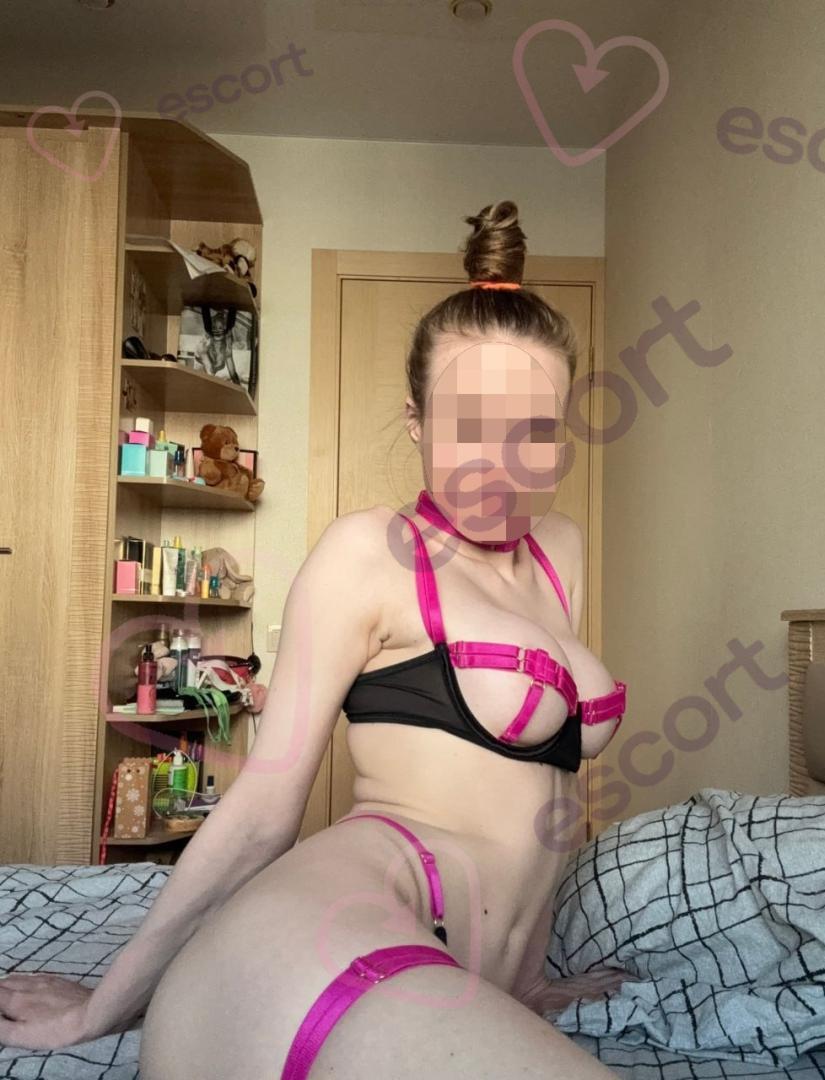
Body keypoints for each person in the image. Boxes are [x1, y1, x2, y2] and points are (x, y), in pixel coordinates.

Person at [0, 201, 631, 1078]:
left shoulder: (561, 549)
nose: (503, 468)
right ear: (416, 421)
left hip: (456, 971)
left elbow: (542, 800)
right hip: (330, 928)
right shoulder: (368, 554)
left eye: (536, 432)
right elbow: (263, 810)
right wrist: (101, 1008)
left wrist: (522, 981)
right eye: (471, 427)